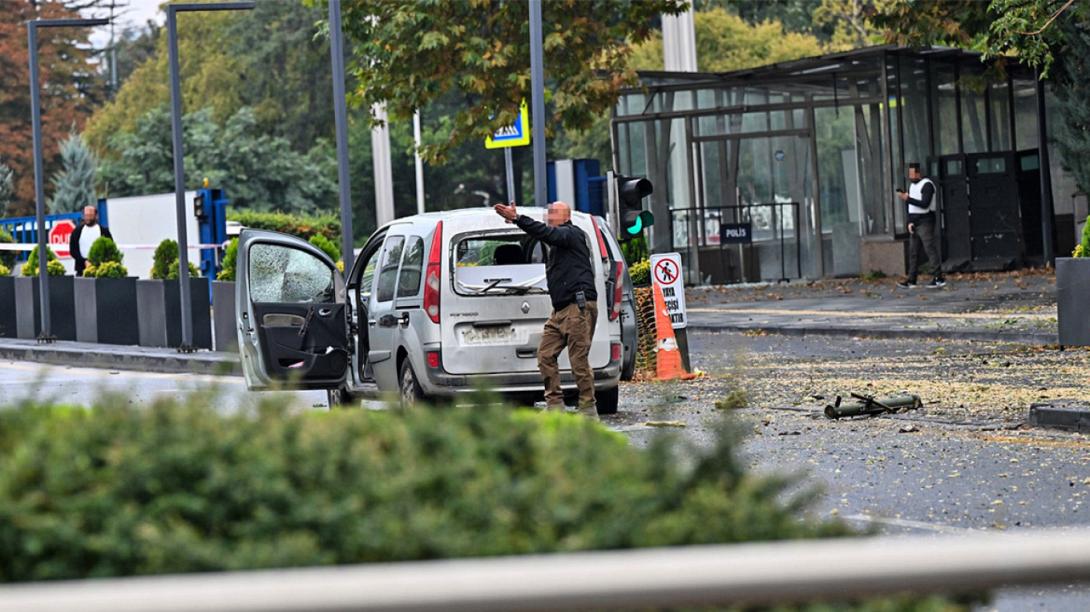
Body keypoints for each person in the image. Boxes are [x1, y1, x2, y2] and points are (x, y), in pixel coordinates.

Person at [493, 201, 599, 418]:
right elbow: (542, 233)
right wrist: (518, 223)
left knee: (578, 360)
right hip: (560, 310)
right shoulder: (557, 241)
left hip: (577, 307)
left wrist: (518, 218)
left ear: (565, 216)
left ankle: (588, 408)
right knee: (545, 355)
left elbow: (547, 233)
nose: (548, 216)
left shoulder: (571, 234)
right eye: (548, 213)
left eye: (553, 213)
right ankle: (555, 405)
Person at [897, 162, 946, 288]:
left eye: (913, 174)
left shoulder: (927, 184)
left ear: (919, 173)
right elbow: (910, 207)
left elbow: (925, 204)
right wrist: (909, 221)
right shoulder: (911, 186)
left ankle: (938, 276)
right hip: (915, 220)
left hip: (925, 220)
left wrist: (907, 199)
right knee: (913, 251)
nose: (911, 176)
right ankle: (912, 278)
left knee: (929, 248)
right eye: (910, 174)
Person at [70, 205, 113, 277]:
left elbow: (110, 248)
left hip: (100, 270)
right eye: (86, 215)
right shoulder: (77, 231)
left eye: (90, 215)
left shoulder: (104, 231)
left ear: (96, 216)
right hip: (81, 270)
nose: (88, 218)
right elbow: (73, 250)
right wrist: (84, 261)